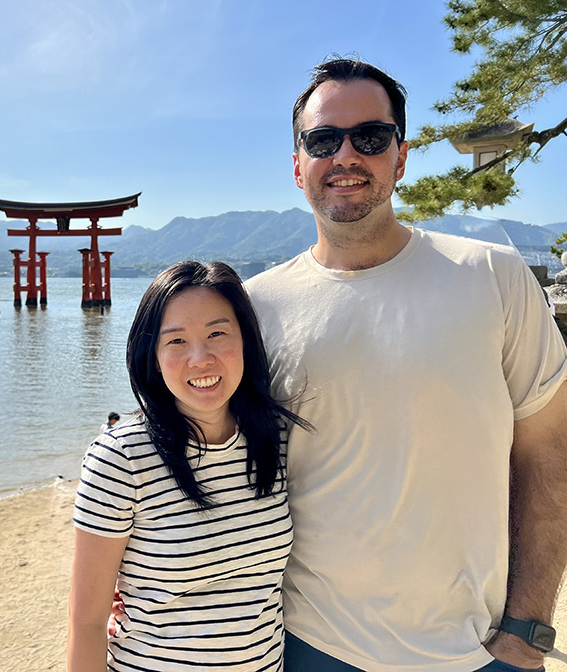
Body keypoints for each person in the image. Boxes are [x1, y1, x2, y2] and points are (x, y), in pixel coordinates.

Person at [243, 58, 567, 671]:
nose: (346, 155)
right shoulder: (257, 308)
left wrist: (529, 629)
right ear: (297, 165)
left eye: (370, 136)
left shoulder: (492, 278)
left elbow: (549, 451)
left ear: (401, 155)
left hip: (476, 649)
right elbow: (213, 459)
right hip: (306, 645)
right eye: (322, 140)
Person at [68, 261, 310, 671]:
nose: (200, 359)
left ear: (246, 341)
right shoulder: (121, 459)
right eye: (176, 341)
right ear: (154, 356)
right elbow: (87, 622)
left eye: (217, 334)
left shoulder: (278, 441)